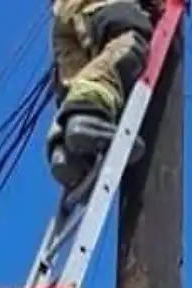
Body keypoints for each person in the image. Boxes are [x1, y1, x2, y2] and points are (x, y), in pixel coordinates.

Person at [47, 0, 158, 191]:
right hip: (98, 4)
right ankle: (87, 118)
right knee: (127, 45)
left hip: (65, 14)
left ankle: (67, 152)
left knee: (76, 82)